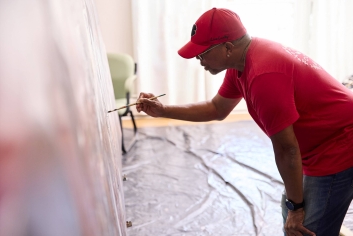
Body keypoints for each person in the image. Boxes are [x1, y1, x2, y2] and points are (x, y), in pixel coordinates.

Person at [136, 7, 353, 236]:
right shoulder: (241, 61)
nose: (200, 61)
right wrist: (163, 111)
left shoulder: (263, 76)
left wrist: (296, 209)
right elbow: (217, 108)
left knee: (302, 228)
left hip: (340, 142)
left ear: (227, 47)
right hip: (321, 142)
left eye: (203, 54)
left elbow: (287, 149)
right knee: (292, 212)